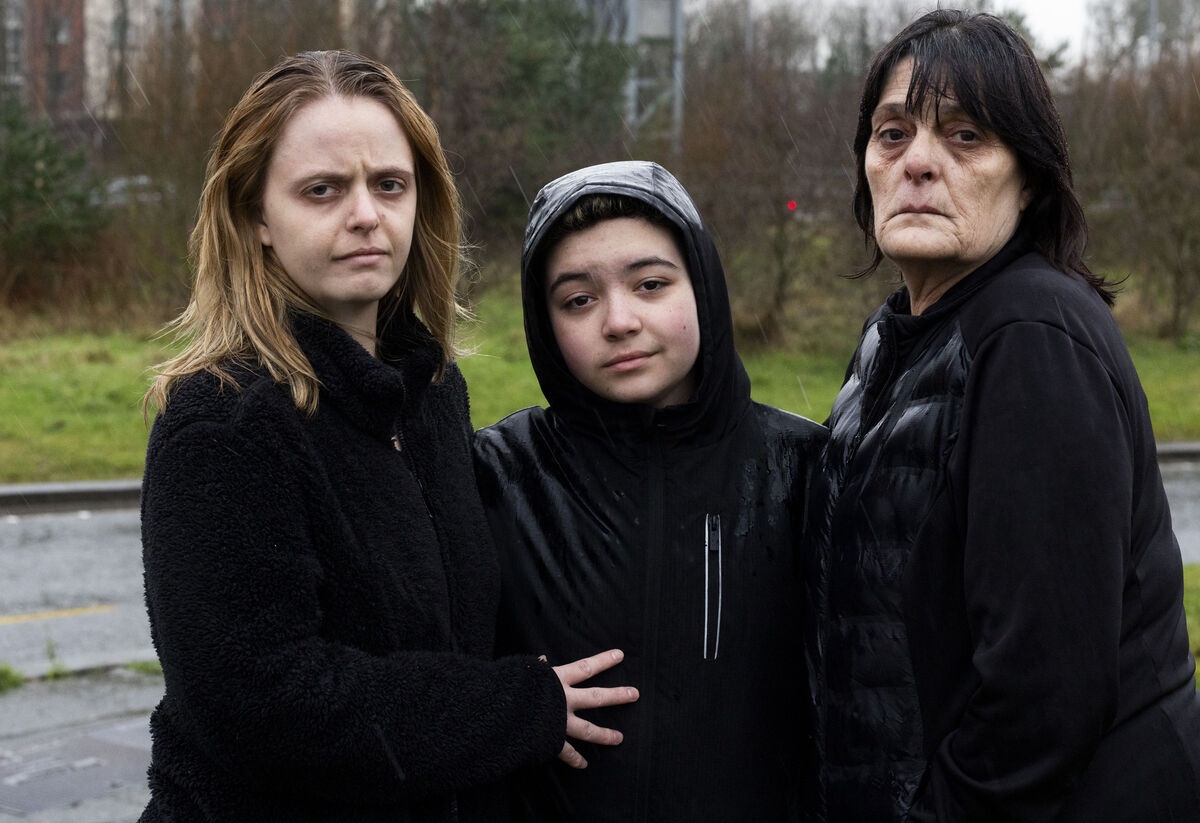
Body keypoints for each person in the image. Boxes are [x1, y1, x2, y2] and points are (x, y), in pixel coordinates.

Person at [138, 50, 638, 822]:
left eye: (389, 184)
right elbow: (259, 704)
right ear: (256, 219)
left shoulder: (429, 394)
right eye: (322, 190)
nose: (366, 214)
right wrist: (513, 708)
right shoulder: (221, 419)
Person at [806, 10, 1200, 822]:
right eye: (891, 133)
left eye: (964, 135)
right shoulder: (893, 338)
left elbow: (1042, 700)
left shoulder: (1030, 337)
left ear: (1030, 179)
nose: (917, 161)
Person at [473, 160, 827, 822]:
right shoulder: (498, 474)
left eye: (651, 284)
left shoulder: (802, 469)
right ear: (544, 324)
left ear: (704, 285)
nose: (619, 320)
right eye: (578, 299)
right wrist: (511, 703)